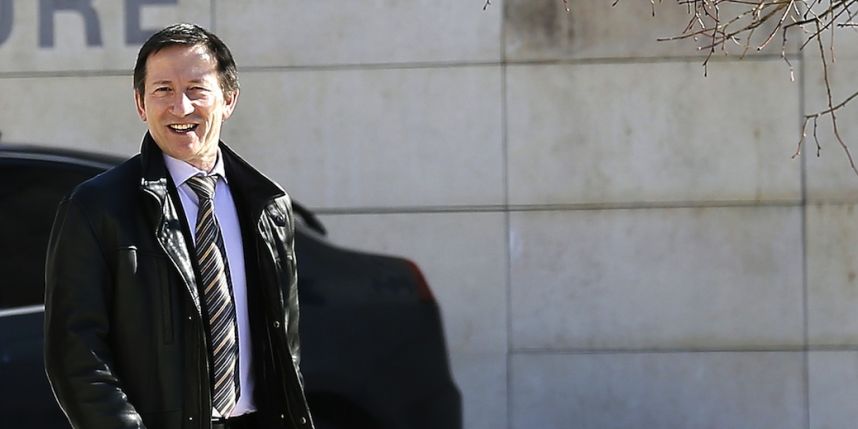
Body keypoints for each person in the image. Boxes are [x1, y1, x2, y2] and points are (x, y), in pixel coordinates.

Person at [44, 23, 314, 429]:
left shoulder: (267, 206)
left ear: (228, 100)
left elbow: (286, 351)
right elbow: (76, 355)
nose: (181, 107)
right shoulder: (96, 208)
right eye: (163, 90)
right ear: (141, 103)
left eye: (196, 89)